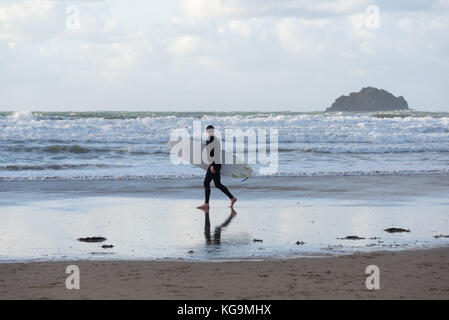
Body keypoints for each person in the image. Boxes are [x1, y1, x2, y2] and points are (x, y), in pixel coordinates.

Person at [197, 125, 237, 209]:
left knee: (206, 183)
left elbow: (210, 153)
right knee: (218, 184)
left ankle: (206, 204)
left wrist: (212, 165)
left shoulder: (210, 139)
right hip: (217, 163)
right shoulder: (216, 139)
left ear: (207, 131)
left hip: (214, 164)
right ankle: (232, 198)